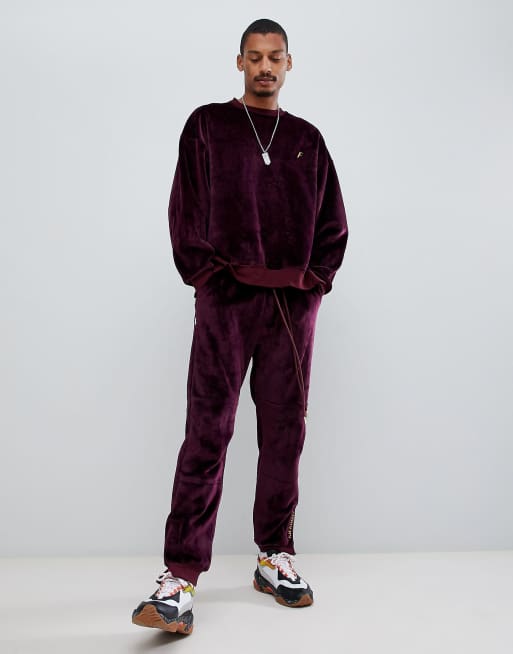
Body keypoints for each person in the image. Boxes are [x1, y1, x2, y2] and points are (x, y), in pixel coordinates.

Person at [132, 18, 348, 635]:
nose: (265, 67)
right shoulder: (207, 125)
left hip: (290, 310)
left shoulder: (307, 138)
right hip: (226, 303)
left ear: (289, 63)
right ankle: (179, 578)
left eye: (275, 57)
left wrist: (312, 284)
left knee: (284, 434)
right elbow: (184, 209)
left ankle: (274, 556)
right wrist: (210, 279)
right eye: (254, 57)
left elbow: (334, 223)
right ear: (239, 62)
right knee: (208, 432)